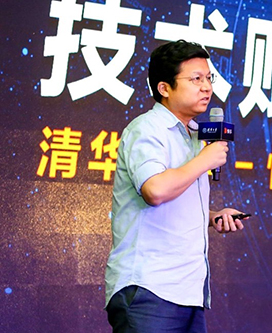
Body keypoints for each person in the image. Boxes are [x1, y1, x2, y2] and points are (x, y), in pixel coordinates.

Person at [104, 40, 247, 333]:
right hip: (149, 289)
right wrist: (204, 160)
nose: (207, 87)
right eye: (196, 79)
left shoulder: (194, 135)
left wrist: (212, 216)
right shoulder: (146, 129)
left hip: (189, 292)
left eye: (209, 78)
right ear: (164, 88)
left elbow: (175, 197)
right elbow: (155, 190)